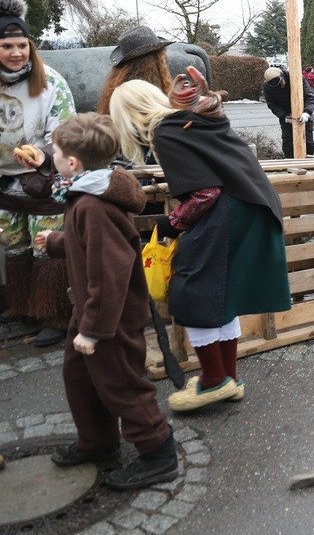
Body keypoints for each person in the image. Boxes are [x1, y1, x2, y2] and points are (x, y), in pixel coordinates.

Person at [109, 74, 292, 412]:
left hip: (227, 212)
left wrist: (170, 223)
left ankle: (213, 381)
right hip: (254, 205)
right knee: (221, 296)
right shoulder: (187, 119)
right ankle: (227, 379)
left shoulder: (166, 132)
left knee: (194, 293)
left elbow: (206, 193)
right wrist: (206, 102)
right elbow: (216, 119)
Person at [36, 113, 177, 490]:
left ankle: (158, 450)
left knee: (122, 386)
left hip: (107, 320)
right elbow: (86, 245)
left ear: (72, 162)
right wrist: (55, 243)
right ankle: (98, 443)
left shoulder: (93, 205)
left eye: (55, 150)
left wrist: (95, 331)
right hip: (90, 312)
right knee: (79, 379)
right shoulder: (84, 194)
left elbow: (108, 271)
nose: (50, 154)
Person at [0, 0, 77, 347]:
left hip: (44, 180)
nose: (16, 53)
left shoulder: (51, 83)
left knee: (46, 247)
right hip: (4, 184)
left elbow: (65, 133)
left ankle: (55, 314)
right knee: (13, 246)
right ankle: (22, 307)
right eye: (6, 46)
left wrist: (43, 156)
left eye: (22, 45)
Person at [98, 25, 173, 115]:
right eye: (161, 53)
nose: (166, 55)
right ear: (148, 63)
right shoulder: (136, 97)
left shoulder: (120, 94)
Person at [263, 66, 314, 157]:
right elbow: (272, 104)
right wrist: (284, 116)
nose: (281, 86)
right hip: (286, 115)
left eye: (281, 82)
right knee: (287, 141)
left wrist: (307, 112)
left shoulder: (297, 78)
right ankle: (290, 161)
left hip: (303, 113)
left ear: (282, 75)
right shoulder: (268, 87)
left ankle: (309, 162)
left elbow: (311, 97)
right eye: (277, 86)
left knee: (308, 141)